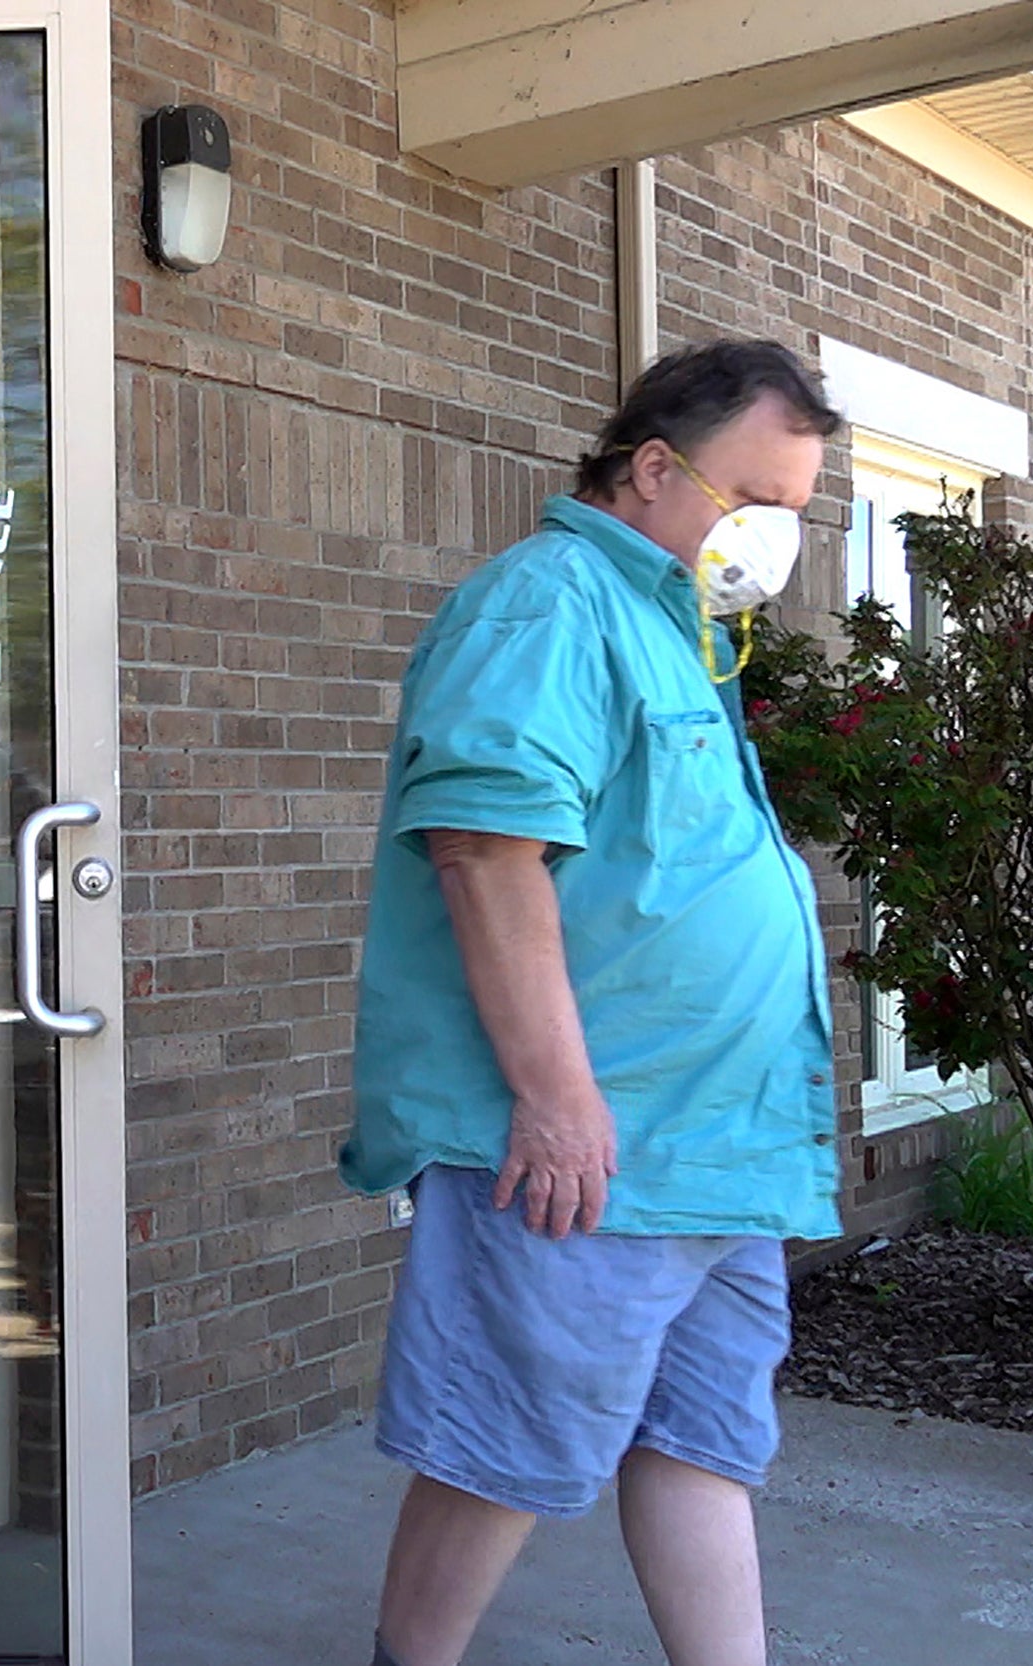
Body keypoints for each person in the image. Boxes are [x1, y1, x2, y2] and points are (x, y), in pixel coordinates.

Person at [339, 340, 847, 1666]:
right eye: (760, 499)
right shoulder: (553, 603)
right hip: (595, 1151)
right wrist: (559, 1104)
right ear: (656, 468)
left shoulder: (681, 625)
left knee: (704, 1445)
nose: (777, 538)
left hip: (714, 1150)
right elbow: (486, 849)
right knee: (503, 1447)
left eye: (798, 511)